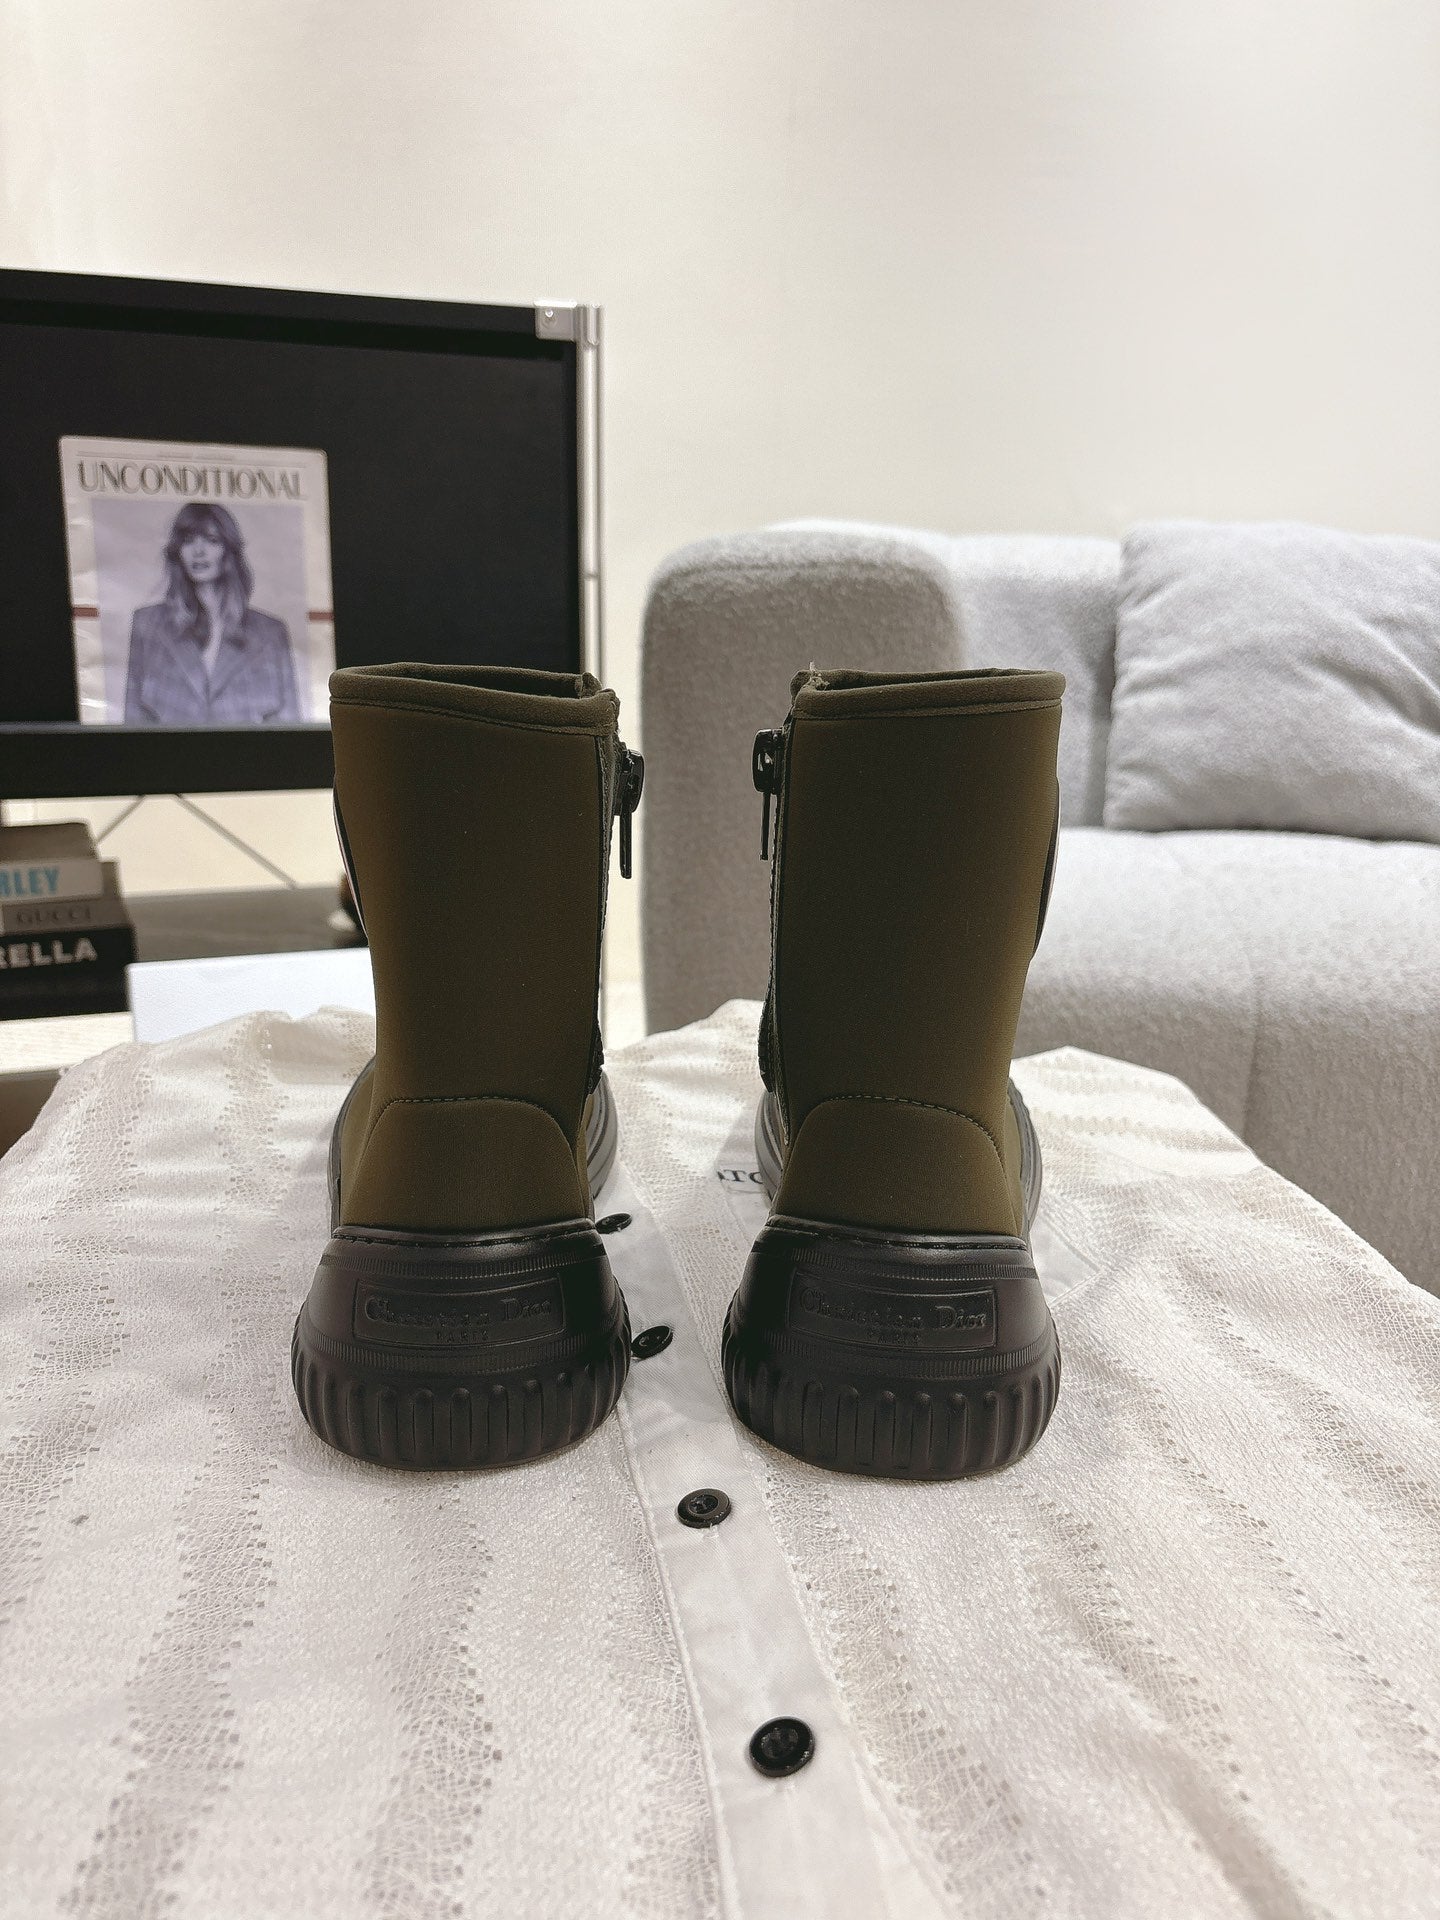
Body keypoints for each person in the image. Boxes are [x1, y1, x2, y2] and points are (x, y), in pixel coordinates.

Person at [123, 503, 301, 723]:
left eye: (212, 540)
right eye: (188, 540)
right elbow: (134, 723)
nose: (199, 551)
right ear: (177, 551)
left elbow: (288, 725)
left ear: (229, 550)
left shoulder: (270, 633)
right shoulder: (147, 624)